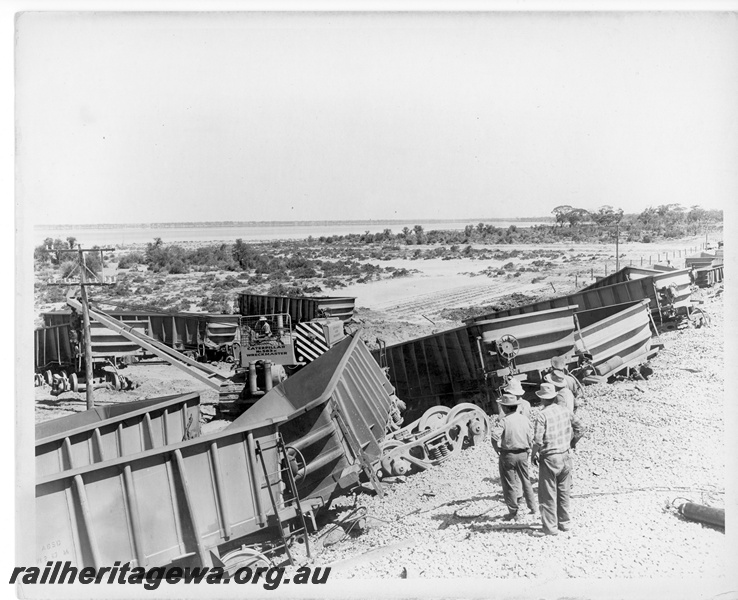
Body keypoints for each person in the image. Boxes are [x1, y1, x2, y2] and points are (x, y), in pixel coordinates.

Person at [531, 383, 585, 536]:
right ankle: (565, 523)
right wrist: (571, 443)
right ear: (554, 397)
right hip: (566, 455)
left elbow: (538, 441)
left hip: (550, 458)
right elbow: (581, 428)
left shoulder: (542, 415)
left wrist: (533, 454)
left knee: (547, 493)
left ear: (542, 399)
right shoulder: (565, 411)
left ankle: (550, 528)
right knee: (564, 491)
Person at [491, 393, 537, 520]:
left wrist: (497, 449)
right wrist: (528, 450)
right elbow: (530, 437)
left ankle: (513, 512)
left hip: (508, 455)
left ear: (505, 408)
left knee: (509, 484)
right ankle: (533, 507)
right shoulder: (525, 419)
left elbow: (494, 437)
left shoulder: (504, 421)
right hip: (523, 454)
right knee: (526, 481)